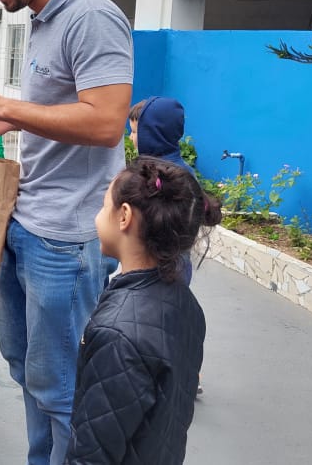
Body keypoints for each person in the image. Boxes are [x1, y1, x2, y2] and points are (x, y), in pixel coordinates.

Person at [0, 0, 134, 465]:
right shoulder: (43, 19)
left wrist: (5, 107)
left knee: (61, 387)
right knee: (28, 370)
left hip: (67, 236)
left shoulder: (92, 17)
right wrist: (2, 118)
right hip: (27, 224)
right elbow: (56, 117)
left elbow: (106, 122)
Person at [66, 157, 216, 464]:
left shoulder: (116, 335)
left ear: (124, 216)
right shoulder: (186, 304)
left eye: (102, 205)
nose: (98, 216)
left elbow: (92, 453)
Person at [128, 97, 195, 286]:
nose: (131, 137)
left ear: (153, 133)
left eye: (134, 132)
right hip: (180, 266)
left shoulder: (150, 175)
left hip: (152, 270)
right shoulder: (187, 172)